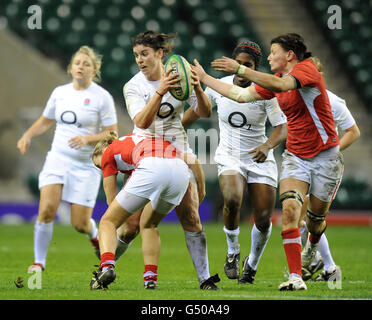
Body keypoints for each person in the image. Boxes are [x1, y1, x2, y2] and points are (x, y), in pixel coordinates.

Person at [193, 33, 344, 291]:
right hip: (296, 157)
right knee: (288, 211)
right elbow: (239, 95)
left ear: (290, 55)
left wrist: (240, 69)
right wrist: (205, 78)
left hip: (326, 156)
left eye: (274, 51)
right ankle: (296, 276)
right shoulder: (271, 83)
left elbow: (286, 87)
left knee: (315, 219)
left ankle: (314, 242)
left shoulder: (305, 69)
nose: (270, 56)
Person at [182, 40, 287, 284]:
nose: (240, 68)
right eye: (237, 63)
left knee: (262, 218)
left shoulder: (265, 90)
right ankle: (232, 250)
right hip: (230, 155)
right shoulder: (220, 85)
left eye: (246, 65)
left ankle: (251, 265)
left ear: (254, 67)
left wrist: (267, 146)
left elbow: (281, 129)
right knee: (232, 198)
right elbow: (200, 108)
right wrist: (176, 127)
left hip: (260, 157)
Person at [122, 30, 220, 290]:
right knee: (131, 225)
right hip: (145, 153)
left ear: (160, 53)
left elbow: (205, 111)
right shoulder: (133, 86)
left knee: (191, 218)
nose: (140, 60)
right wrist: (160, 91)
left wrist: (197, 87)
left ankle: (205, 279)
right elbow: (141, 122)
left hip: (177, 153)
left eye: (145, 54)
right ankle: (105, 267)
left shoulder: (180, 78)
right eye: (136, 56)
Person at [17, 46, 118, 272]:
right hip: (58, 159)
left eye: (86, 64)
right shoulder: (59, 93)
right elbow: (45, 120)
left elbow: (112, 133)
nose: (81, 67)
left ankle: (93, 235)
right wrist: (27, 135)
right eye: (77, 63)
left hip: (85, 166)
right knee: (46, 210)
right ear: (70, 68)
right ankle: (38, 263)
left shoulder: (102, 98)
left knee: (79, 224)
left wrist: (88, 139)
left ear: (94, 70)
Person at [89, 132, 206, 290]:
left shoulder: (107, 154)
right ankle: (150, 280)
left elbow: (111, 202)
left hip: (151, 167)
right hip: (180, 171)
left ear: (102, 151)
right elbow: (192, 160)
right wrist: (202, 190)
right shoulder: (140, 138)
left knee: (107, 221)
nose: (103, 168)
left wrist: (109, 239)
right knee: (149, 225)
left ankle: (106, 268)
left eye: (100, 166)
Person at [299, 56, 361, 281]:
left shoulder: (332, 101)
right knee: (302, 218)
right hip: (303, 163)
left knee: (310, 218)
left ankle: (323, 265)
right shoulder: (296, 98)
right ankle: (325, 266)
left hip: (325, 166)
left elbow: (353, 131)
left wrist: (331, 151)